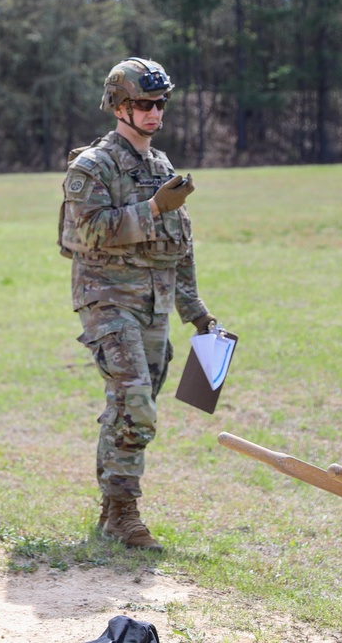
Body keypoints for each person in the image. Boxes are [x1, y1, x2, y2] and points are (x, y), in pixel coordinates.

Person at [58, 57, 218, 551]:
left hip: (154, 305)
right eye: (144, 104)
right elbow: (83, 234)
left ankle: (112, 509)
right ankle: (127, 516)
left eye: (160, 103)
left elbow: (180, 246)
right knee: (136, 405)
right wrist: (151, 208)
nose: (154, 113)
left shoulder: (162, 166)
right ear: (118, 107)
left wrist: (198, 314)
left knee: (128, 410)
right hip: (106, 301)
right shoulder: (92, 167)